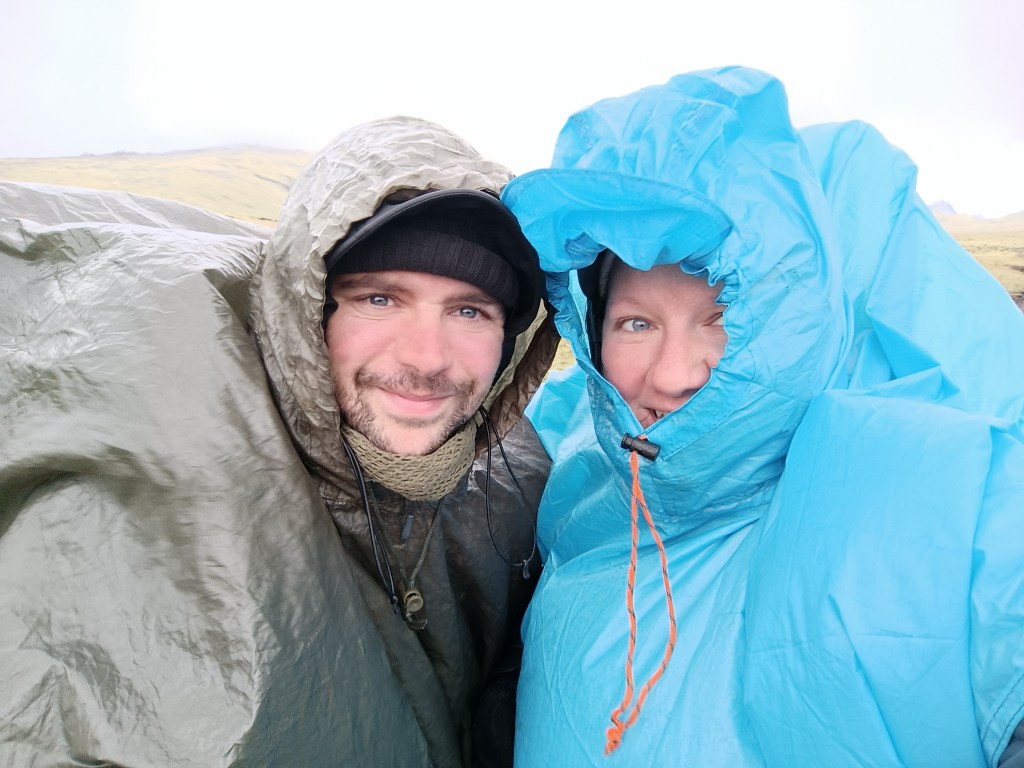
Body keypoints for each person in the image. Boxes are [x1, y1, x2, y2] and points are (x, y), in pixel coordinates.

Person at [499, 67, 1024, 767]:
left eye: (721, 319)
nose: (673, 375)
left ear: (791, 326)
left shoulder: (957, 502)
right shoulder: (567, 455)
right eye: (635, 324)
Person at [0, 117, 557, 768]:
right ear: (307, 310)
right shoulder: (151, 507)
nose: (427, 358)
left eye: (469, 311)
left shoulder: (513, 484)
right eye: (379, 299)